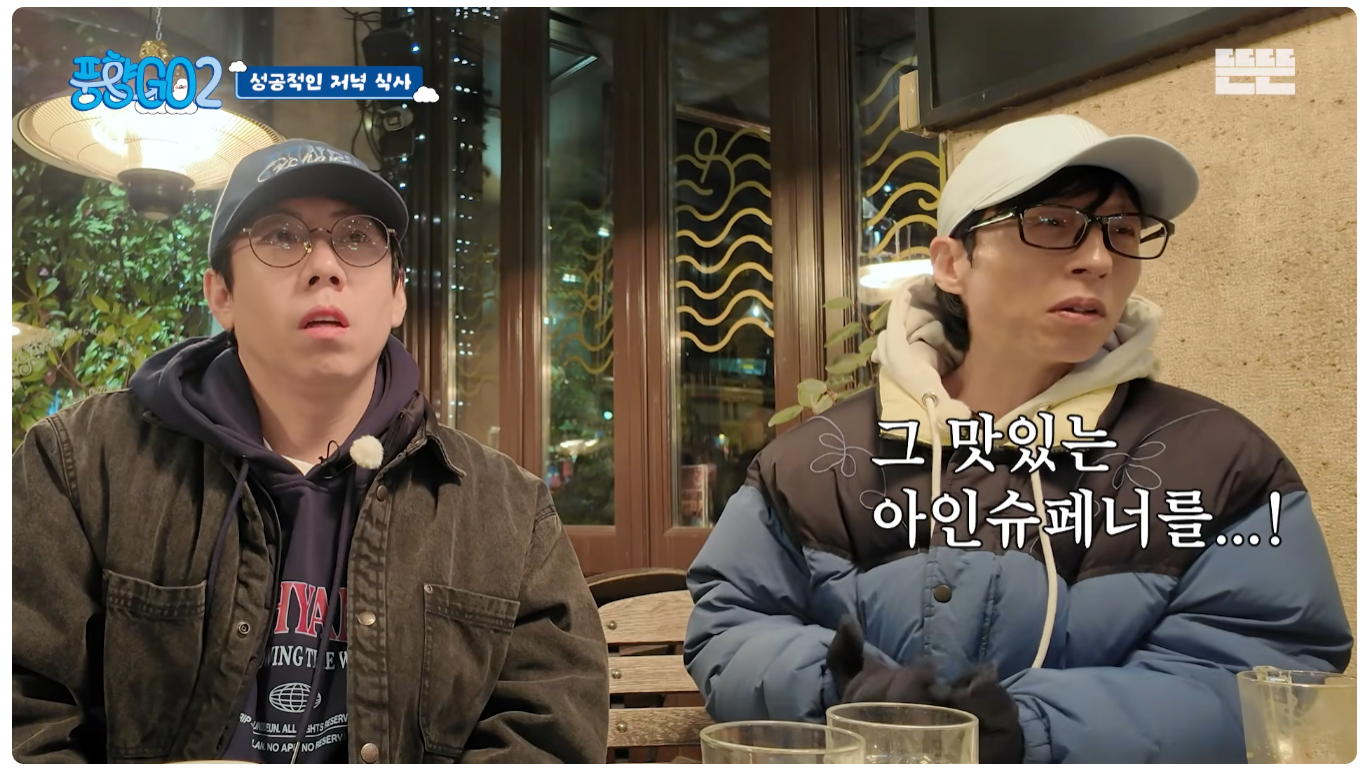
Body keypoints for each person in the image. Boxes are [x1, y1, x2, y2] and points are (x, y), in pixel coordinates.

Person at [681, 115, 1352, 763]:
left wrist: (1034, 731)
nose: (1098, 259)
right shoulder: (818, 461)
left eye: (1123, 230)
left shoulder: (1219, 461)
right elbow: (733, 623)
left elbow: (1263, 672)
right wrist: (839, 687)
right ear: (952, 262)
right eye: (1052, 223)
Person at [13, 139, 610, 764]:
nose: (324, 265)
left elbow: (551, 732)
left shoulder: (507, 512)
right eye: (280, 235)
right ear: (221, 294)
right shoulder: (79, 466)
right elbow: (22, 716)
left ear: (398, 294)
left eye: (357, 238)